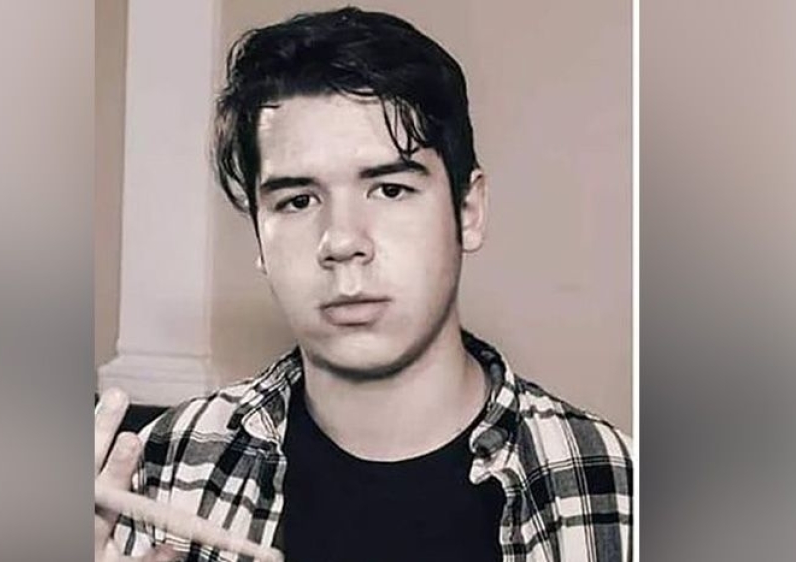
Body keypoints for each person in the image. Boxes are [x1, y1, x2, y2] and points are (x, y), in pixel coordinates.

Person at [95, 7, 632, 562]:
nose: (342, 240)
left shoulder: (617, 485)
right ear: (258, 235)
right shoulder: (158, 471)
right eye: (298, 201)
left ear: (468, 211)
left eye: (390, 190)